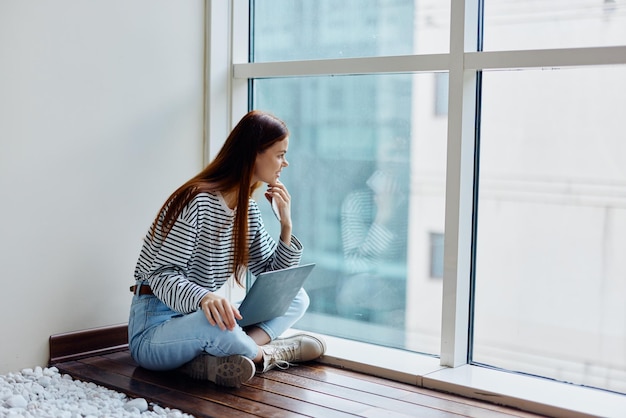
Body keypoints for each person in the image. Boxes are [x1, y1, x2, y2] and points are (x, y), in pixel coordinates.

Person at [128, 110, 326, 387]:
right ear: (254, 153)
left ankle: (216, 356)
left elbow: (273, 280)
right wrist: (204, 298)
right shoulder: (196, 201)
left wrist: (286, 227)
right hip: (154, 328)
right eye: (280, 154)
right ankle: (267, 354)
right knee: (215, 325)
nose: (285, 162)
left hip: (200, 318)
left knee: (297, 297)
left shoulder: (248, 211)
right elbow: (162, 276)